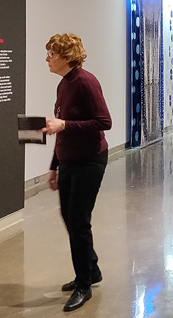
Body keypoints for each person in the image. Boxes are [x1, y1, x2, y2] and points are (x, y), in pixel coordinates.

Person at [42, 33, 112, 312]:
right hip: (69, 159)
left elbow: (104, 121)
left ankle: (84, 283)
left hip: (90, 159)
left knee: (78, 220)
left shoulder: (85, 81)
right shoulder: (64, 84)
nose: (46, 59)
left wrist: (65, 127)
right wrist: (53, 166)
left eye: (51, 54)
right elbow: (62, 126)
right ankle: (91, 270)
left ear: (66, 56)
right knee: (69, 217)